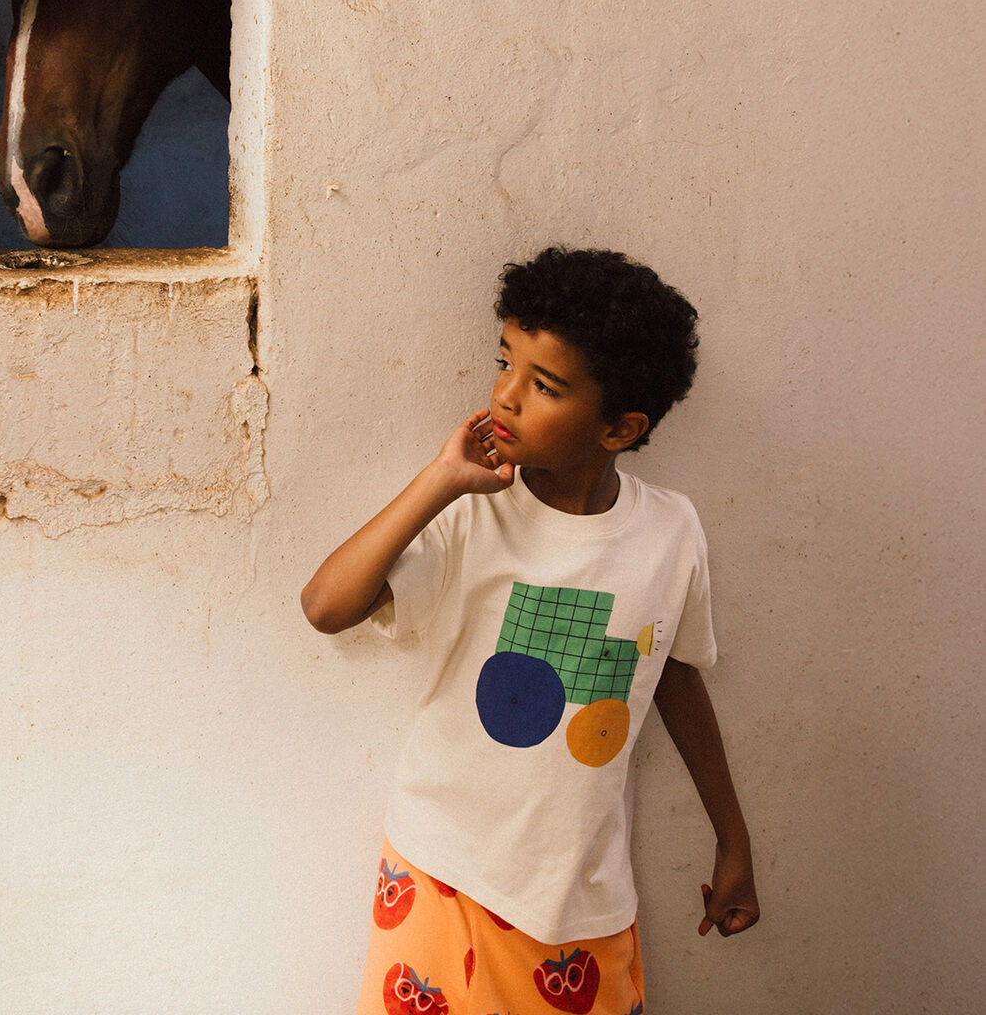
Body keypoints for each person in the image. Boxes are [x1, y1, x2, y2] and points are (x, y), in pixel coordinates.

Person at [302, 248, 759, 1014]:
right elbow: (327, 606)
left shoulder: (670, 532)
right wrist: (442, 478)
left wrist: (733, 838)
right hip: (438, 873)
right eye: (503, 363)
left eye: (543, 386)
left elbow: (673, 677)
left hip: (577, 898)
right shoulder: (474, 515)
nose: (505, 398)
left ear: (619, 427)